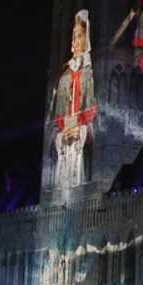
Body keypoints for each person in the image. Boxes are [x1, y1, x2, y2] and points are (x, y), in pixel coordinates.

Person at [49, 10, 97, 187]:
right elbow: (54, 125)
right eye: (74, 37)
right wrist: (62, 136)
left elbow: (99, 122)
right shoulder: (64, 77)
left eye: (80, 36)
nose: (76, 42)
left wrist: (82, 132)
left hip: (81, 153)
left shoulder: (90, 73)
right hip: (64, 154)